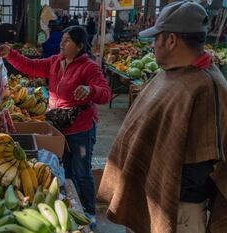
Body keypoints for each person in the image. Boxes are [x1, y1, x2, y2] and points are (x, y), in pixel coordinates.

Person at [98, 2, 227, 233]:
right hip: (149, 195)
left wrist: (161, 185)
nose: (153, 45)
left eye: (156, 38)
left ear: (171, 40)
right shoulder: (170, 75)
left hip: (179, 211)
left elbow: (207, 161)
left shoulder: (207, 87)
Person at [0, 26, 111, 230]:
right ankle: (72, 209)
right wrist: (10, 54)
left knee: (82, 171)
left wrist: (89, 89)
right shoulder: (55, 62)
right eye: (62, 39)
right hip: (59, 128)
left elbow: (105, 93)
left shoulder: (89, 67)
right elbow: (30, 66)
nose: (62, 43)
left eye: (67, 41)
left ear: (80, 46)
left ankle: (90, 213)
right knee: (64, 170)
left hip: (80, 130)